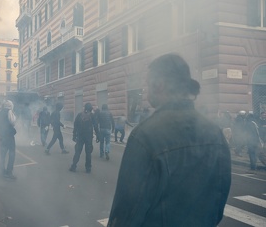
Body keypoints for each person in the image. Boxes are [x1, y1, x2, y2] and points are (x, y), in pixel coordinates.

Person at [108, 53, 231, 227]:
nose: (146, 90)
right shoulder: (215, 133)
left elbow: (127, 212)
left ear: (159, 84)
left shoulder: (144, 136)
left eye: (148, 84)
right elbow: (219, 202)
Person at [69, 103, 99, 173]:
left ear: (85, 108)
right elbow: (96, 126)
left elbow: (75, 125)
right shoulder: (92, 116)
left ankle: (73, 166)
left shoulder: (79, 115)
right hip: (89, 137)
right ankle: (88, 168)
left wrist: (74, 135)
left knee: (77, 152)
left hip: (80, 136)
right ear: (91, 108)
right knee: (88, 153)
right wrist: (98, 136)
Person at [0, 100, 17, 179]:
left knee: (3, 154)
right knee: (12, 153)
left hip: (2, 135)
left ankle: (2, 171)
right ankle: (9, 172)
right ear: (10, 106)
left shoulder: (0, 112)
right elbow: (13, 122)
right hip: (9, 136)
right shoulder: (9, 112)